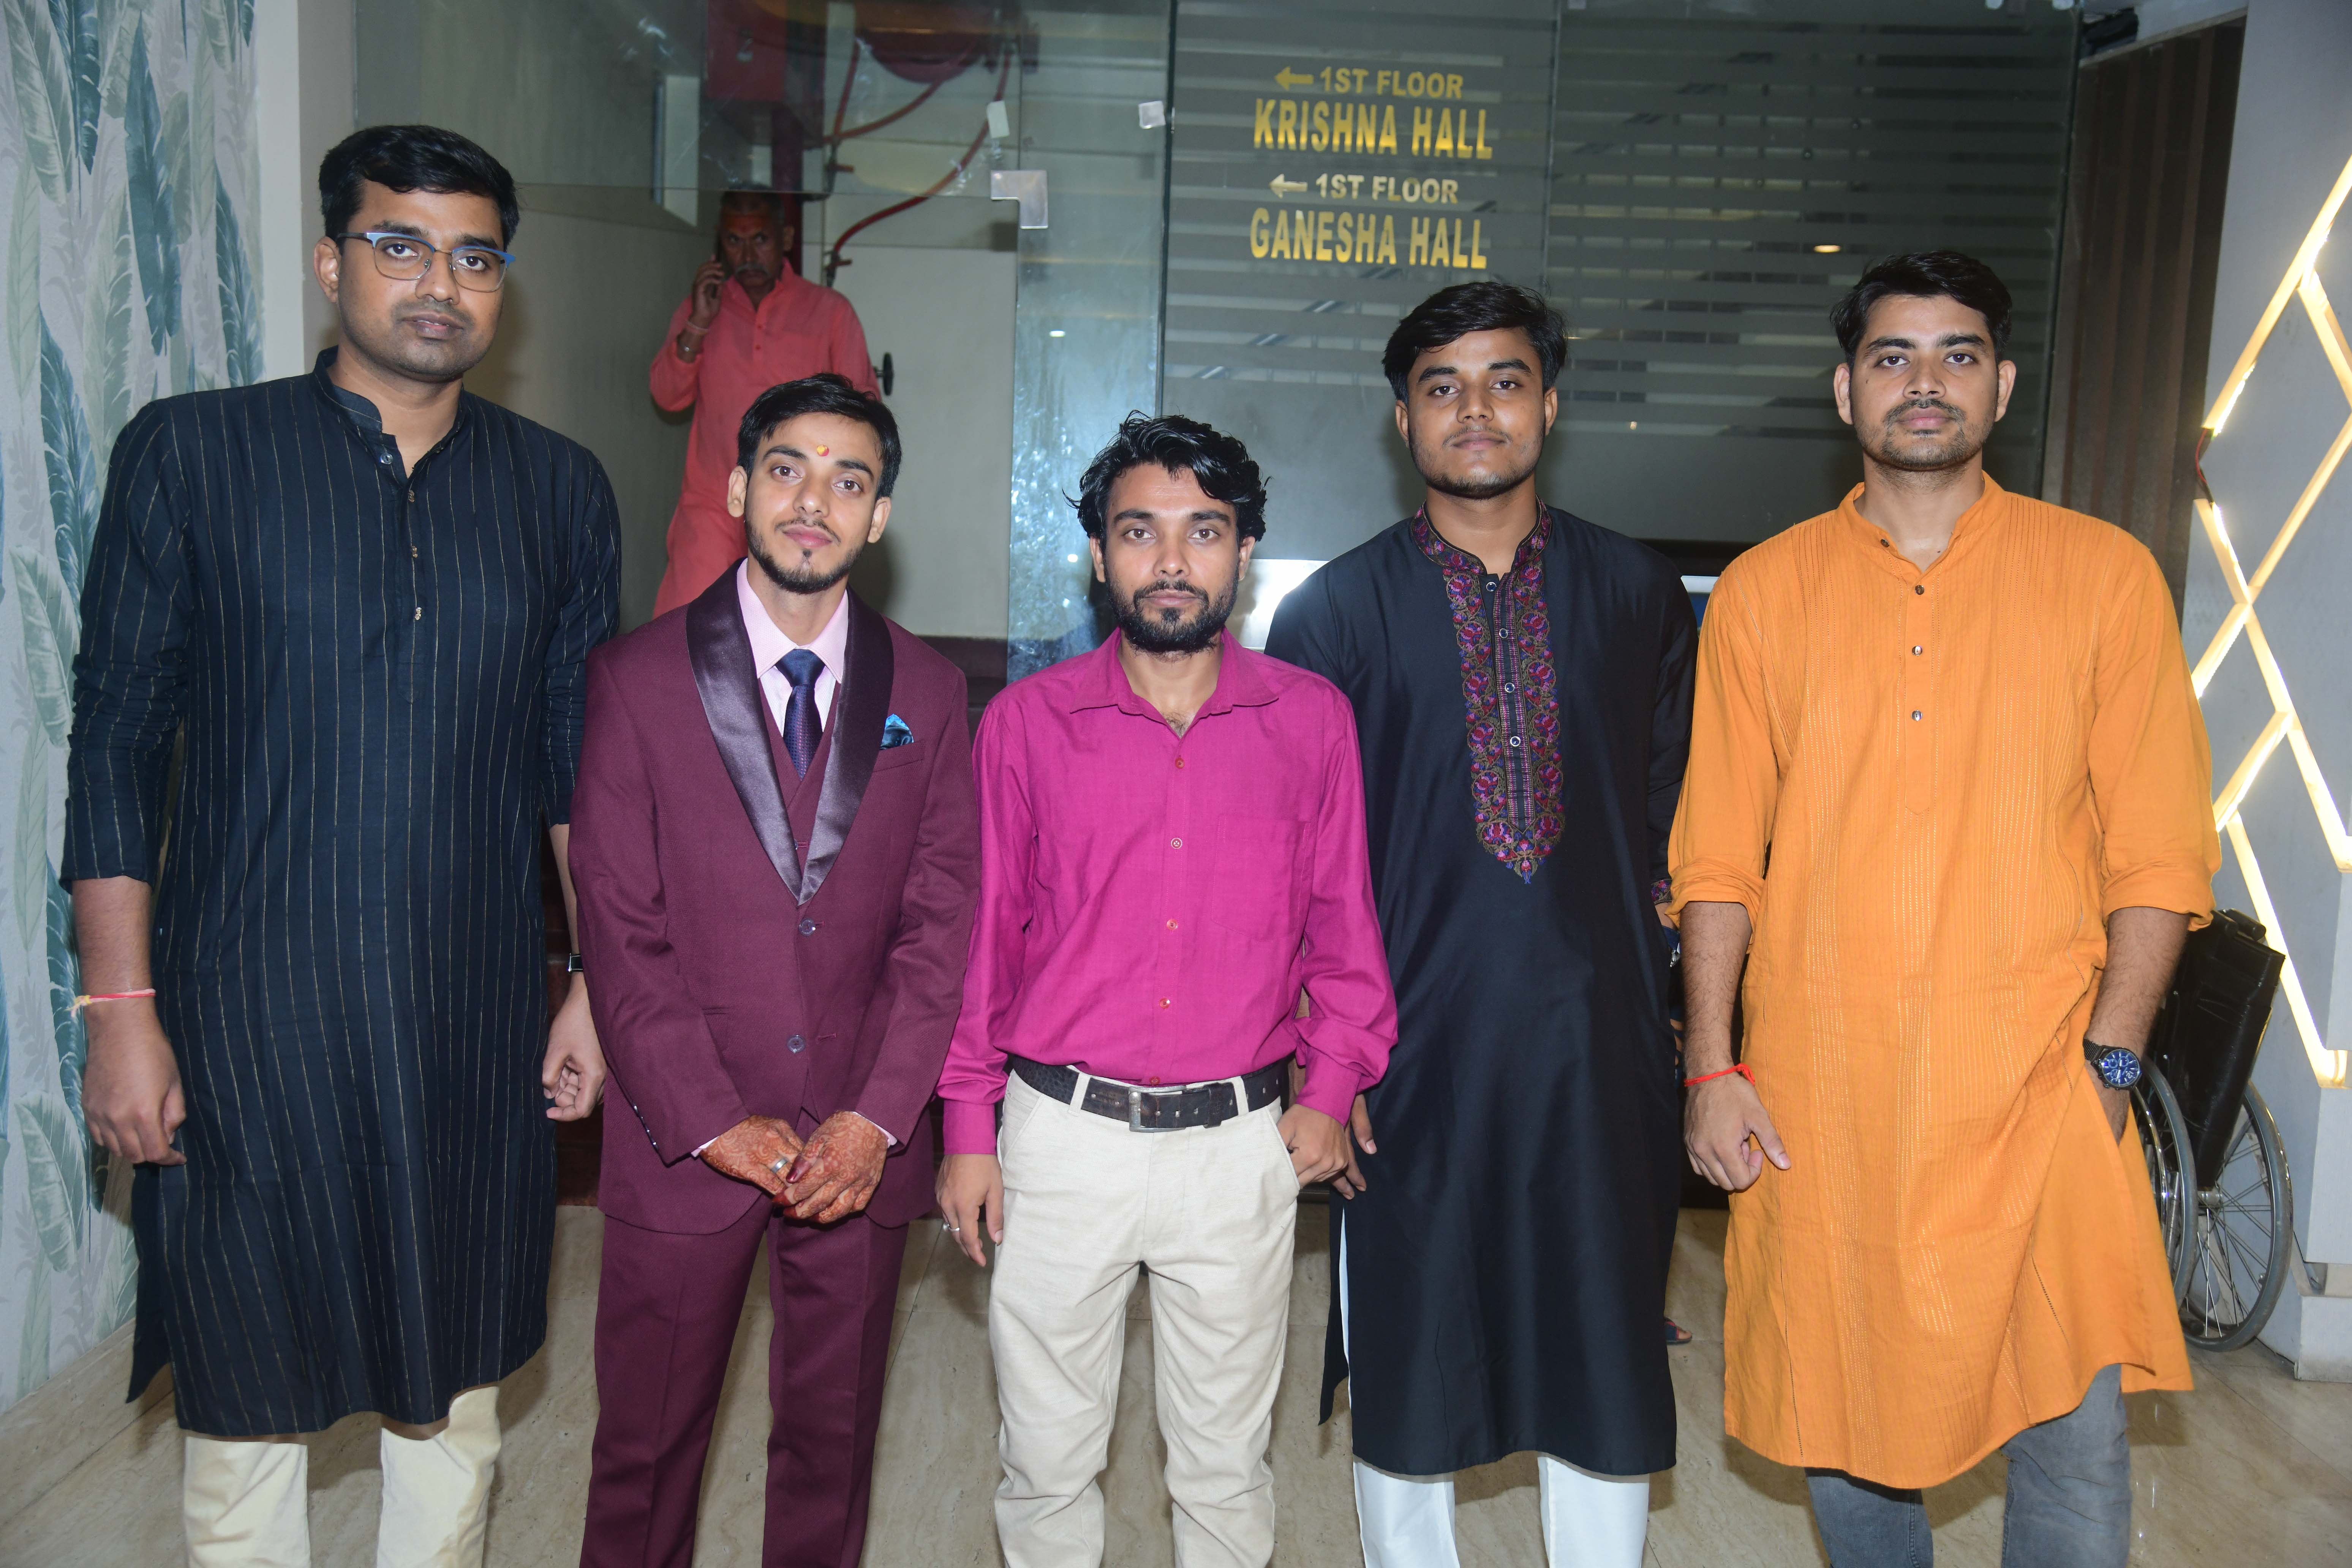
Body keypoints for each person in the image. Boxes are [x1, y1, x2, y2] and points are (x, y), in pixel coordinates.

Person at [64, 125, 619, 1566]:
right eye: (399, 245)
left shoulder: (559, 490)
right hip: (246, 1010)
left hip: (469, 1012)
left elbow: (579, 765)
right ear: (330, 262)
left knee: (457, 1384)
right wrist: (120, 1010)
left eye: (475, 257)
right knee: (247, 1386)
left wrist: (591, 980)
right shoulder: (196, 454)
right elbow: (115, 741)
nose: (440, 283)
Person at [1672, 250, 2215, 1567]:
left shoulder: (2104, 576)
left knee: (2072, 1439)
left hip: (2038, 1088)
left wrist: (2110, 1065)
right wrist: (1714, 1067)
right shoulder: (1765, 590)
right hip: (1828, 1098)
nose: (1926, 382)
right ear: (1845, 389)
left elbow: (2157, 857)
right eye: (1894, 356)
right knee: (1845, 1419)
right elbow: (1718, 860)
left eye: (1957, 354)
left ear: (2003, 385)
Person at [1265, 281, 1692, 1567]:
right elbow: (1296, 869)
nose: (1475, 409)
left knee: (1600, 1342)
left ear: (1550, 406)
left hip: (1598, 1051)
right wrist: (1325, 1062)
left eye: (1505, 381)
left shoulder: (1638, 594)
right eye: (1441, 387)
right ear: (1403, 420)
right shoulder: (1332, 615)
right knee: (1412, 1347)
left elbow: (1677, 835)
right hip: (1410, 1057)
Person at [936, 414, 1397, 1568]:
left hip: (1238, 1146)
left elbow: (1345, 929)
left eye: (1205, 530)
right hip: (1059, 1138)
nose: (1173, 560)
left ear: (1244, 551)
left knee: (1226, 1466)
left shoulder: (1311, 720)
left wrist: (1329, 1088)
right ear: (1100, 554)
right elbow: (983, 945)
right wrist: (968, 1128)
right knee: (1046, 1460)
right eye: (1140, 532)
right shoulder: (1027, 723)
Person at [569, 373, 980, 1568]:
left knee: (830, 1452)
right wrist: (709, 1120)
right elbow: (622, 925)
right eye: (789, 470)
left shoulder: (931, 690)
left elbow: (939, 921)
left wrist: (877, 1117)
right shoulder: (634, 677)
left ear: (880, 516)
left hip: (857, 1144)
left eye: (850, 481)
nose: (814, 502)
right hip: (683, 1141)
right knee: (645, 1456)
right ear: (741, 486)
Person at [650, 191, 877, 616]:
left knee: (785, 625)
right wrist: (698, 323)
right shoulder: (703, 309)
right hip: (713, 504)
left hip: (795, 506)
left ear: (785, 238)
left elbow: (863, 418)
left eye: (760, 240)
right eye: (735, 242)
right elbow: (667, 395)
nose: (748, 255)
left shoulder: (829, 311)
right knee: (683, 627)